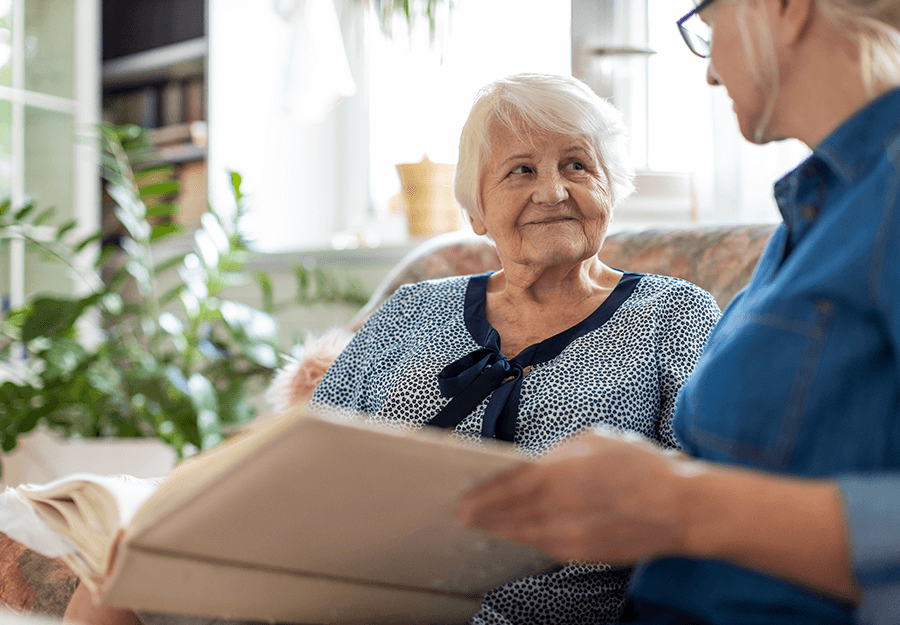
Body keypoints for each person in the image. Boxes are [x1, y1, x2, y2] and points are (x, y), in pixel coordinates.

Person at [457, 1, 900, 624]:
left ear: (783, 7)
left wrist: (683, 507)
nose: (711, 72)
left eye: (709, 28)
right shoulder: (815, 211)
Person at [308, 73, 721, 624]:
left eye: (577, 165)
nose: (552, 191)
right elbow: (309, 460)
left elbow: (703, 503)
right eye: (520, 170)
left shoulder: (673, 314)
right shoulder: (410, 312)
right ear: (476, 211)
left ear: (611, 189)